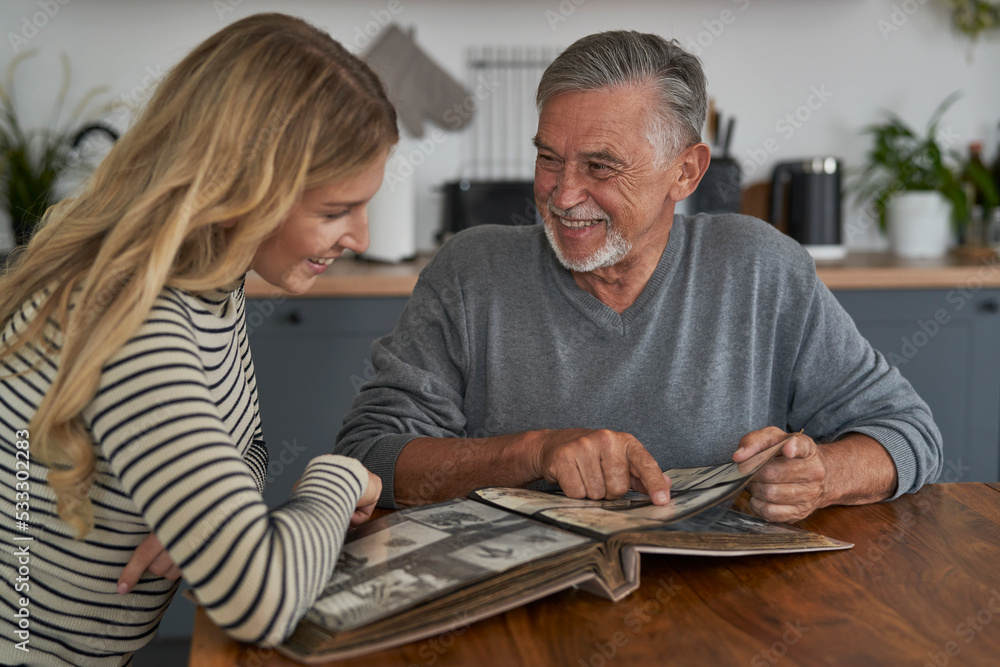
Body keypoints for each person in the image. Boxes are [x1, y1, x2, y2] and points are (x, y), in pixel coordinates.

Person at [336, 30, 942, 523]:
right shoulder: (471, 272)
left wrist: (821, 477)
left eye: (601, 166)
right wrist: (531, 452)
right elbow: (368, 456)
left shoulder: (761, 269)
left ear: (686, 172)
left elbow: (908, 433)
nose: (563, 193)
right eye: (548, 157)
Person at [0, 13, 396, 666]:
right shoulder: (136, 311)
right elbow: (260, 598)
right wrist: (336, 479)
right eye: (334, 211)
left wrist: (196, 497)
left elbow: (245, 444)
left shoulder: (205, 273)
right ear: (245, 189)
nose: (361, 239)